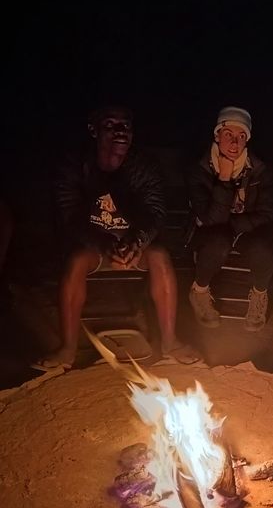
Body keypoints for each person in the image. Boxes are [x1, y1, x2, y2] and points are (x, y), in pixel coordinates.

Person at [32, 104, 199, 371]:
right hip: (93, 245)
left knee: (160, 257)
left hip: (134, 243)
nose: (120, 132)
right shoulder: (75, 165)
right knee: (75, 262)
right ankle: (67, 349)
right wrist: (101, 243)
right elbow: (70, 215)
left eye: (126, 126)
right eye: (110, 125)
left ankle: (171, 342)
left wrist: (138, 241)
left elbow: (155, 211)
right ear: (93, 130)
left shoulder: (142, 167)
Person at [187, 107, 273, 333]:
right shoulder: (200, 170)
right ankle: (199, 292)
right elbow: (211, 219)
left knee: (264, 249)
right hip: (213, 230)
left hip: (244, 228)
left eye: (241, 137)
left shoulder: (259, 170)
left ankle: (259, 296)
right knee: (217, 243)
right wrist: (224, 178)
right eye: (229, 135)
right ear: (217, 135)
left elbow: (266, 213)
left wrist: (235, 226)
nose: (235, 143)